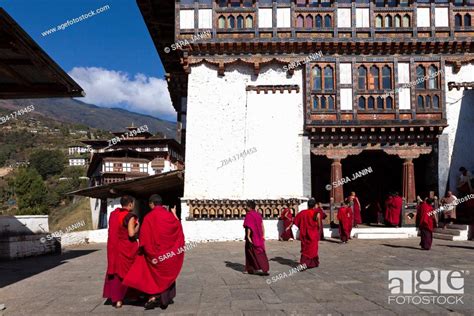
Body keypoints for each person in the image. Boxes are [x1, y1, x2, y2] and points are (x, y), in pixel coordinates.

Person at [123, 194, 185, 310]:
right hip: (168, 254)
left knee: (152, 275)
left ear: (151, 204)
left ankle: (153, 297)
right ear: (161, 204)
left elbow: (143, 238)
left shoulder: (148, 217)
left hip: (154, 254)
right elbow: (178, 228)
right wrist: (175, 214)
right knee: (167, 274)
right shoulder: (169, 216)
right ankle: (165, 298)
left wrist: (144, 249)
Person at [103, 195, 139, 308]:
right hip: (127, 248)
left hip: (115, 248)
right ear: (130, 204)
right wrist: (138, 226)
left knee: (116, 273)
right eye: (133, 204)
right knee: (130, 272)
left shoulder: (114, 215)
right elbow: (131, 234)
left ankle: (118, 300)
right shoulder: (130, 216)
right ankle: (132, 296)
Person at [243, 200, 270, 275]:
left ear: (249, 207)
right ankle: (251, 269)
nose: (245, 207)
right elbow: (262, 225)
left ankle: (258, 268)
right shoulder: (258, 214)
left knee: (251, 253)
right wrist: (263, 235)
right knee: (259, 252)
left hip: (252, 237)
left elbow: (249, 227)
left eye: (246, 206)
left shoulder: (249, 215)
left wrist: (248, 236)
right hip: (259, 236)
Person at [294, 198, 321, 268]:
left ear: (308, 205)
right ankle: (307, 264)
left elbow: (296, 221)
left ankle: (308, 263)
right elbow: (319, 225)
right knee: (313, 249)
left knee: (305, 249)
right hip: (313, 234)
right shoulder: (317, 213)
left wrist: (302, 227)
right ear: (315, 205)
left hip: (305, 234)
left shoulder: (302, 212)